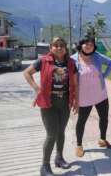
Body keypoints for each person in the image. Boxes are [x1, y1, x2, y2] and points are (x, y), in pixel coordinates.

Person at [23, 37, 78, 176]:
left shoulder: (71, 63)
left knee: (61, 132)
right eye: (56, 45)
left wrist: (76, 100)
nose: (59, 48)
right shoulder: (43, 61)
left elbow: (75, 84)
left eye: (62, 45)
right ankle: (45, 166)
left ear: (65, 48)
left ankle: (59, 158)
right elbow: (27, 73)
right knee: (51, 134)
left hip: (65, 101)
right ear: (51, 48)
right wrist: (37, 88)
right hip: (48, 101)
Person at [71, 35, 111, 157]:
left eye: (91, 44)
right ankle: (79, 145)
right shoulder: (73, 59)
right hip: (84, 96)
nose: (88, 46)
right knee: (81, 121)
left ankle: (102, 139)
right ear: (81, 44)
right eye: (86, 43)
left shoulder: (97, 56)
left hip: (100, 94)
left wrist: (104, 75)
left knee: (104, 118)